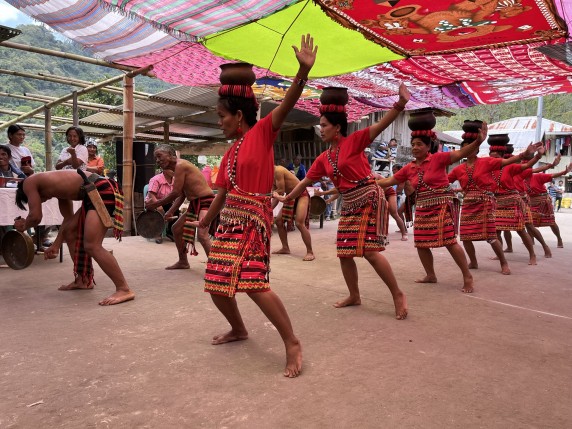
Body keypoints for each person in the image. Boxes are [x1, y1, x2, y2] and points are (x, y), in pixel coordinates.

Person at [195, 35, 317, 378]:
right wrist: (206, 221)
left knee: (252, 283)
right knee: (217, 282)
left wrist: (302, 72)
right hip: (230, 221)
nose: (219, 123)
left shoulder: (263, 133)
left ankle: (292, 341)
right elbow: (222, 191)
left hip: (254, 221)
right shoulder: (230, 151)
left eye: (221, 116)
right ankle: (239, 329)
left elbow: (287, 104)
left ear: (238, 115)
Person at [278, 83, 409, 319]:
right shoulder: (322, 158)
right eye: (320, 126)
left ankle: (398, 294)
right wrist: (287, 196)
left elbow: (381, 124)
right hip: (349, 203)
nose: (321, 129)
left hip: (369, 197)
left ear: (337, 127)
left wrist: (400, 104)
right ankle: (354, 295)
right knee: (345, 252)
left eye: (324, 125)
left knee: (369, 252)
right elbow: (305, 182)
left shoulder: (355, 141)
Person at [377, 116, 489, 294]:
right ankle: (430, 275)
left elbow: (461, 153)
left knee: (449, 241)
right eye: (413, 144)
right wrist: (369, 182)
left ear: (429, 147)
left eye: (419, 144)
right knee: (421, 243)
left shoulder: (439, 159)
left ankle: (467, 275)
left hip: (441, 205)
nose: (415, 147)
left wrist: (478, 141)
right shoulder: (409, 167)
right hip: (422, 207)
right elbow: (391, 180)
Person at [14, 170, 134, 305]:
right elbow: (68, 220)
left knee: (92, 246)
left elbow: (35, 216)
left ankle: (123, 289)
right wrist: (56, 244)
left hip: (101, 188)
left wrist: (23, 226)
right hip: (94, 191)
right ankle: (82, 280)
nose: (41, 201)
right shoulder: (56, 189)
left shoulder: (28, 183)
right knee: (71, 231)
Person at [448, 125, 542, 275]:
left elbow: (508, 162)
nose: (468, 150)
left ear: (477, 148)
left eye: (471, 147)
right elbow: (443, 181)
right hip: (468, 204)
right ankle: (473, 261)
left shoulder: (487, 162)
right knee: (466, 236)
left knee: (491, 236)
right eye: (465, 148)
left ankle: (504, 263)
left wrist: (526, 154)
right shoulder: (458, 169)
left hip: (486, 202)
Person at [145, 144, 216, 270]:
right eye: (156, 158)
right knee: (176, 228)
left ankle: (216, 269)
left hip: (206, 201)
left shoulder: (180, 165)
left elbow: (176, 192)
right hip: (195, 203)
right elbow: (182, 193)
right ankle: (183, 262)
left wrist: (155, 204)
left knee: (202, 235)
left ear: (171, 155)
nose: (157, 160)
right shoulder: (176, 170)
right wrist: (170, 211)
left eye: (159, 156)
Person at [489, 141, 545, 265]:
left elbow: (527, 166)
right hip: (497, 202)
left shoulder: (510, 167)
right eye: (492, 158)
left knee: (520, 229)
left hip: (512, 201)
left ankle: (532, 254)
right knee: (496, 231)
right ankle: (500, 255)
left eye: (497, 158)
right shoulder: (487, 171)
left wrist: (538, 156)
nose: (494, 160)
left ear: (502, 158)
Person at [271, 165, 314, 261]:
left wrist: (271, 195)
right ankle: (285, 248)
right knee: (278, 221)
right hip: (290, 196)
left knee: (299, 223)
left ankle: (310, 252)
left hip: (301, 194)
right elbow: (278, 195)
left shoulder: (278, 170)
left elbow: (280, 191)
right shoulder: (270, 175)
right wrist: (269, 210)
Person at [527, 165, 571, 248]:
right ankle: (531, 239)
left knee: (551, 222)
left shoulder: (538, 176)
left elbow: (552, 175)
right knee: (528, 222)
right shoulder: (519, 179)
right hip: (530, 202)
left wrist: (564, 172)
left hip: (543, 201)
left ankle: (559, 238)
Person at [144, 169, 177, 244]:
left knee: (175, 210)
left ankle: (170, 232)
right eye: (171, 169)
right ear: (165, 170)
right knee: (158, 211)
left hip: (166, 202)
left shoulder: (175, 180)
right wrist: (158, 205)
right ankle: (157, 233)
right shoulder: (156, 179)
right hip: (152, 202)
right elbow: (151, 195)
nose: (173, 171)